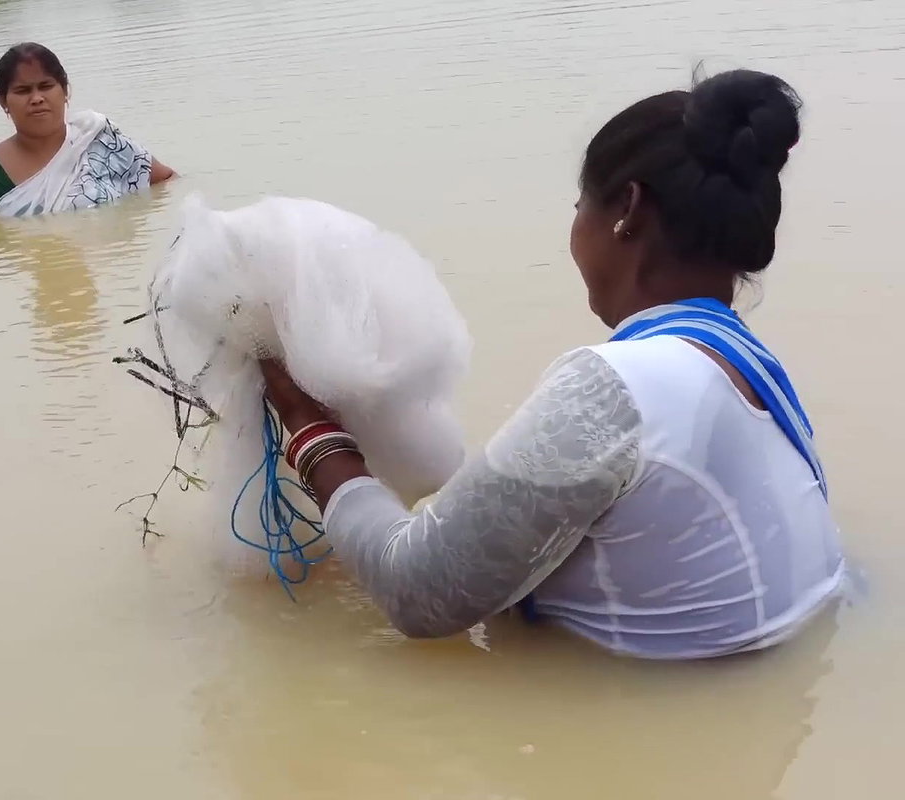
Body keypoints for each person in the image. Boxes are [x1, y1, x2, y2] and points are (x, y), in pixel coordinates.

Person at [260, 68, 845, 660]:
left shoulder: (615, 387)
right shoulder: (747, 365)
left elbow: (417, 590)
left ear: (628, 210)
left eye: (578, 206)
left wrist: (313, 432)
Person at [0, 43, 175, 219]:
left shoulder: (100, 141)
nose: (37, 98)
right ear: (3, 101)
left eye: (46, 86)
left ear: (65, 91)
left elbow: (168, 182)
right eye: (23, 91)